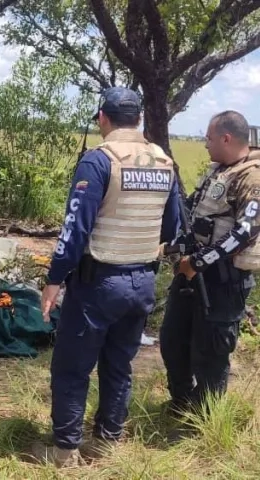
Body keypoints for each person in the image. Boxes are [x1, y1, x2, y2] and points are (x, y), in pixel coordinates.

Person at [34, 87, 183, 467]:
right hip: (142, 283)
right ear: (139, 119)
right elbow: (172, 227)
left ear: (103, 117)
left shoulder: (99, 160)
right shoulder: (164, 161)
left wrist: (54, 279)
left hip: (98, 284)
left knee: (71, 366)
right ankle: (107, 440)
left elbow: (75, 228)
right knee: (119, 364)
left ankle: (65, 450)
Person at [160, 110, 260, 414]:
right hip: (191, 273)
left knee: (211, 351)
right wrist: (173, 248)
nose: (205, 143)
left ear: (226, 138)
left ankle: (205, 419)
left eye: (209, 137)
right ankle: (180, 403)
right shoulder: (217, 170)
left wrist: (199, 262)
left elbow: (247, 231)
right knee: (173, 339)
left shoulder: (252, 176)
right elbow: (194, 217)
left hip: (223, 281)